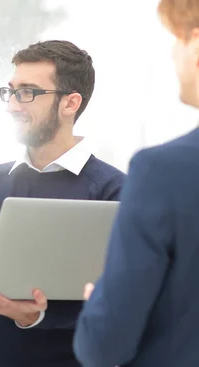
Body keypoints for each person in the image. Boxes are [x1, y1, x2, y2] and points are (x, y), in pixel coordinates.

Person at [0, 40, 126, 367]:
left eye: (27, 93)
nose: (11, 105)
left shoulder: (115, 190)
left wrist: (37, 315)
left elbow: (116, 296)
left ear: (70, 103)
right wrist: (8, 267)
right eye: (10, 91)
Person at [74, 1, 199, 365]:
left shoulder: (163, 172)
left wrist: (100, 298)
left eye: (175, 40)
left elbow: (102, 347)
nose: (173, 55)